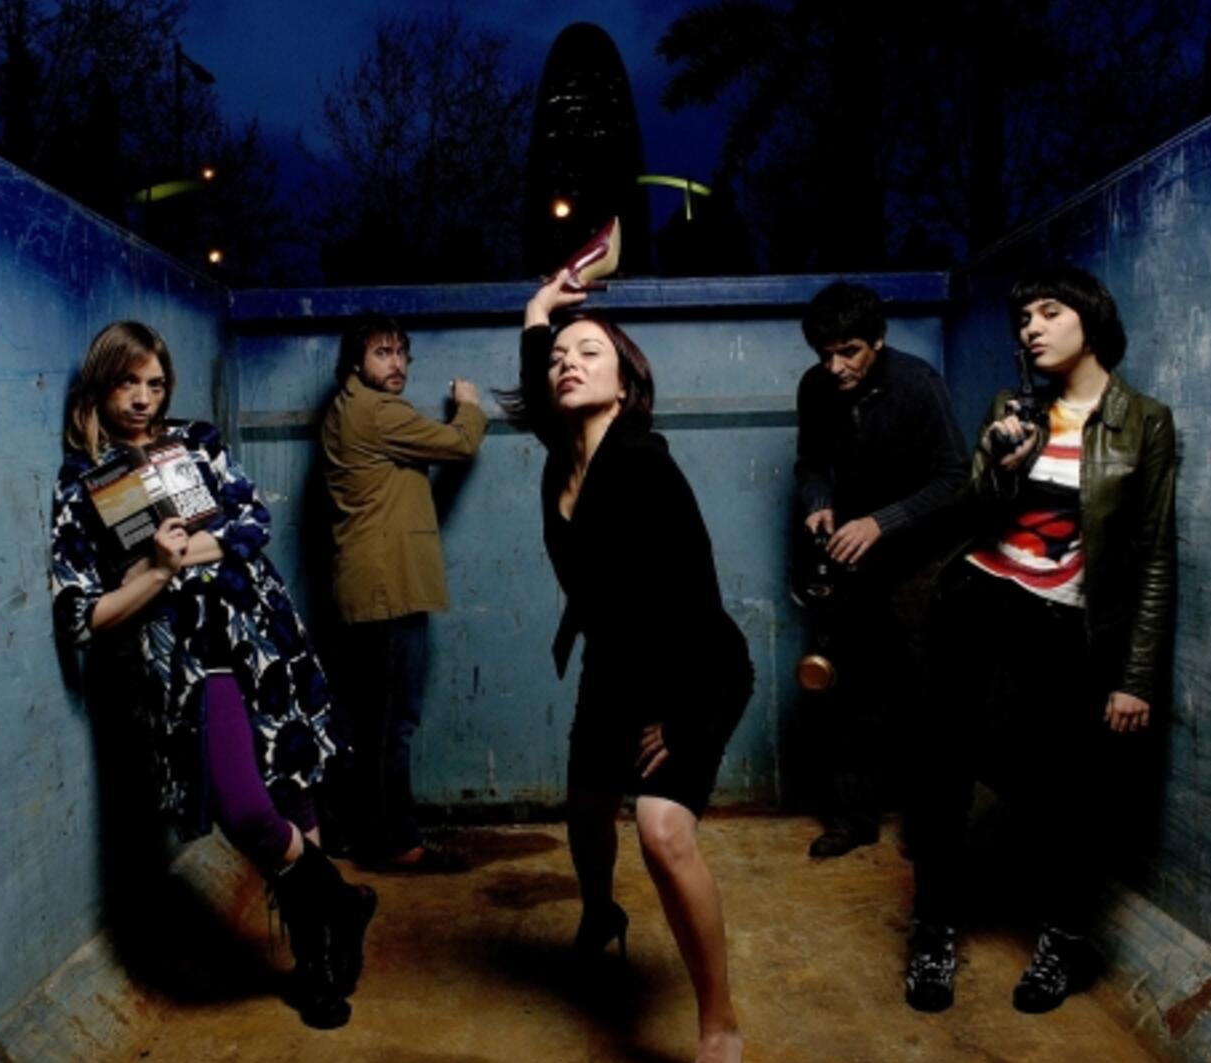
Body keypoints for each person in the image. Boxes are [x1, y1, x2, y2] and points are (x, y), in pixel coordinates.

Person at [48, 321, 376, 1030]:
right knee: (245, 807)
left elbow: (252, 523)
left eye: (155, 383)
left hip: (261, 631)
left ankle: (315, 959)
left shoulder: (195, 441)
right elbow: (80, 613)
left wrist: (168, 558)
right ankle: (341, 902)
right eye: (127, 382)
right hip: (187, 660)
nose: (143, 398)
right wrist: (157, 571)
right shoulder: (82, 482)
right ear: (100, 384)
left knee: (291, 787)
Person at [901, 265, 1177, 1015]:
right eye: (1023, 318)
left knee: (1069, 791)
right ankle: (933, 931)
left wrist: (1136, 677)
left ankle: (1064, 938)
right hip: (975, 603)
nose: (1031, 328)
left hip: (1063, 623)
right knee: (941, 775)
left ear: (1091, 318)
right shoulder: (1012, 410)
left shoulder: (1144, 423)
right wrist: (1002, 465)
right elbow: (971, 515)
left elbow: (1154, 554)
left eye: (1049, 312)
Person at [501, 276, 753, 1063]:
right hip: (614, 663)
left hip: (695, 668)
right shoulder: (562, 461)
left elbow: (698, 602)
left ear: (625, 381)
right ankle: (601, 911)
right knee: (586, 807)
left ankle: (719, 1024)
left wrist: (683, 719)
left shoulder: (642, 463)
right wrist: (538, 313)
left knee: (662, 829)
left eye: (589, 352)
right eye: (559, 357)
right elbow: (541, 387)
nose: (567, 363)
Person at [792, 281, 968, 859]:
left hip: (920, 563)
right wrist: (819, 501)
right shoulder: (815, 387)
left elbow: (955, 479)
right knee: (849, 692)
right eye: (824, 354)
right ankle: (853, 820)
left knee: (923, 698)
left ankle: (928, 826)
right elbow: (810, 463)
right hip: (851, 562)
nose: (835, 367)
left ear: (879, 340)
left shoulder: (919, 383)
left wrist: (880, 522)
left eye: (849, 352)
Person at [320, 314, 487, 872]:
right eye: (382, 353)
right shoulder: (379, 411)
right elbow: (460, 443)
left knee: (366, 720)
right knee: (392, 723)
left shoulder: (345, 407)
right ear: (356, 362)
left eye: (401, 354)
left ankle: (350, 830)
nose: (396, 364)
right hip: (388, 587)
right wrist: (469, 404)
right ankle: (396, 843)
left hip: (366, 585)